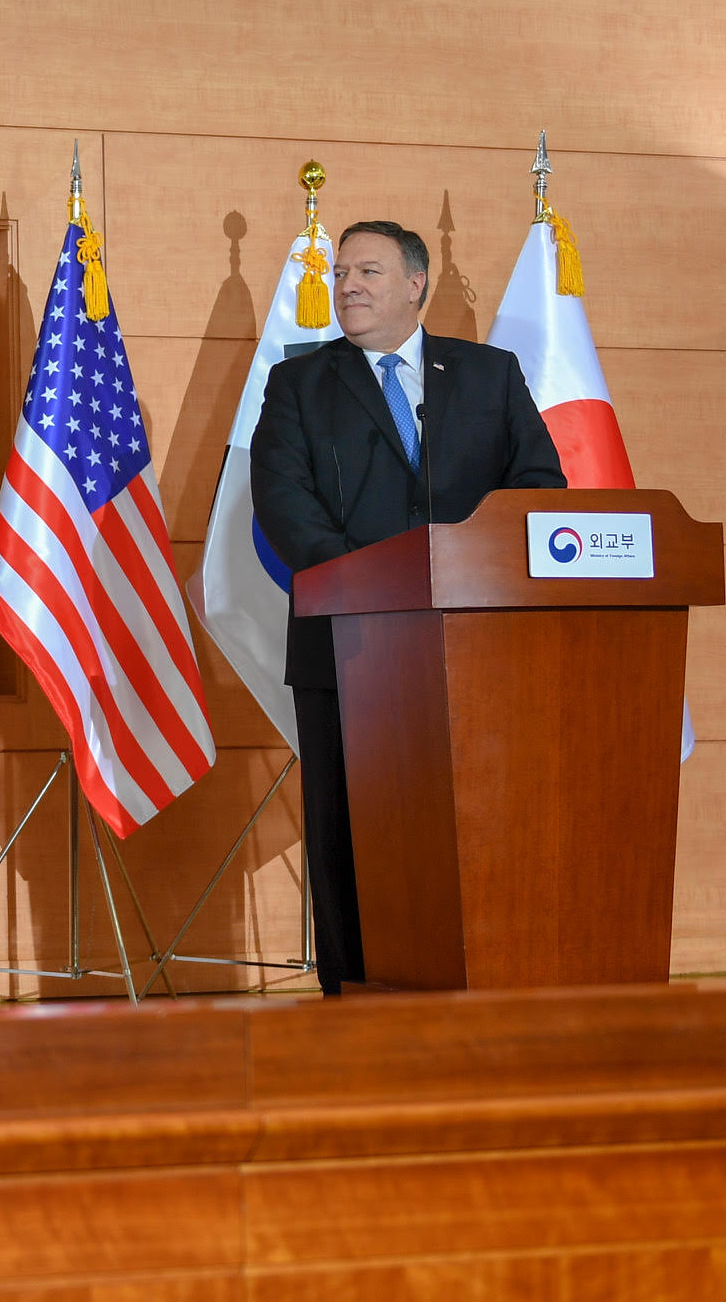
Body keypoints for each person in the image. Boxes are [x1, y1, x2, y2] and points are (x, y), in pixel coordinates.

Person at [250, 219, 565, 995]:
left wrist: (468, 572)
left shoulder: (488, 376)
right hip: (345, 643)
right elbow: (282, 502)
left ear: (415, 283)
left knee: (472, 814)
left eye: (367, 271)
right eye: (341, 272)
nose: (347, 285)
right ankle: (355, 992)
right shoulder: (299, 382)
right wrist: (372, 583)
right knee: (348, 825)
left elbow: (537, 487)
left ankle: (481, 974)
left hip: (473, 644)